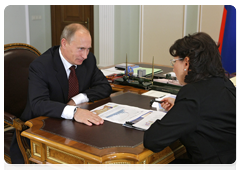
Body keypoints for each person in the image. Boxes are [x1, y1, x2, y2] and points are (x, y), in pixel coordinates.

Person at [10, 23, 112, 167]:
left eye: (88, 49)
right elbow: (38, 104)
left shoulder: (88, 60)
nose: (85, 55)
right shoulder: (41, 66)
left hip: (73, 128)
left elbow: (104, 87)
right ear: (64, 43)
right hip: (39, 128)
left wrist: (76, 100)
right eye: (81, 49)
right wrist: (74, 112)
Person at [144, 32, 237, 170]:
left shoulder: (194, 94)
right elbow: (209, 112)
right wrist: (181, 108)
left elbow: (152, 140)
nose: (174, 67)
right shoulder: (224, 82)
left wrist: (182, 109)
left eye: (174, 61)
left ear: (186, 62)